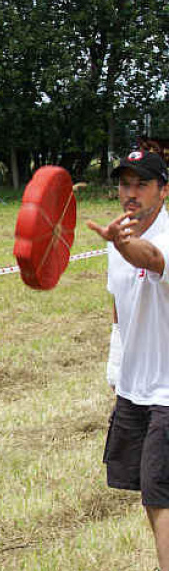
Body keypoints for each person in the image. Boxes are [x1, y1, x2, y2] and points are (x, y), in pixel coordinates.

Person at [88, 150, 169, 569]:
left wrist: (122, 244)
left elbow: (153, 261)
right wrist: (116, 366)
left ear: (164, 190)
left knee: (160, 493)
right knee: (149, 493)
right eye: (125, 184)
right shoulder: (117, 240)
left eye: (142, 184)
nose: (131, 193)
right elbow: (119, 309)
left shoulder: (163, 238)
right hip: (136, 388)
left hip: (168, 392)